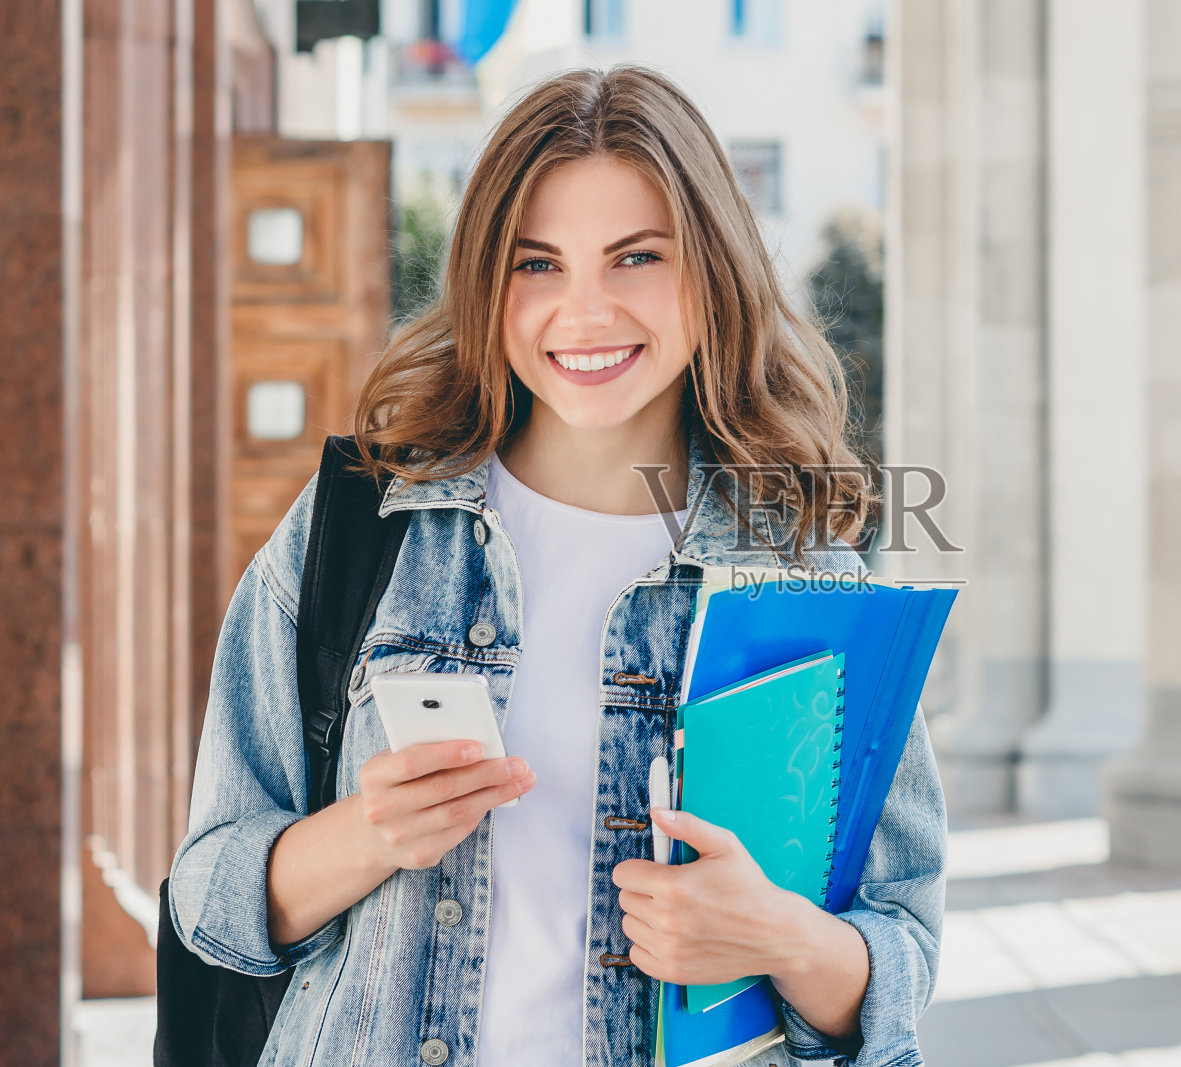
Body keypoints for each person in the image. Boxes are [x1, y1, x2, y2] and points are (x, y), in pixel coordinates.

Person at [168, 65, 946, 1067]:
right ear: (488, 283)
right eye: (537, 264)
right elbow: (209, 892)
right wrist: (368, 833)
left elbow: (904, 948)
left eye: (635, 258)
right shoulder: (364, 525)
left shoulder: (803, 570)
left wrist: (775, 936)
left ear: (712, 271)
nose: (583, 312)